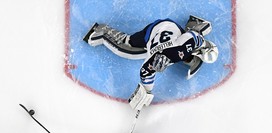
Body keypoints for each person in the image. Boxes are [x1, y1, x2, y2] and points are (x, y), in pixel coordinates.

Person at [83, 15, 218, 110]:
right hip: (153, 31)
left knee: (197, 36)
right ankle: (101, 33)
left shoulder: (182, 49)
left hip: (169, 32)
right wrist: (146, 92)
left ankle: (195, 26)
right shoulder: (161, 57)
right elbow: (145, 70)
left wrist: (146, 91)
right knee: (128, 48)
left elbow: (193, 37)